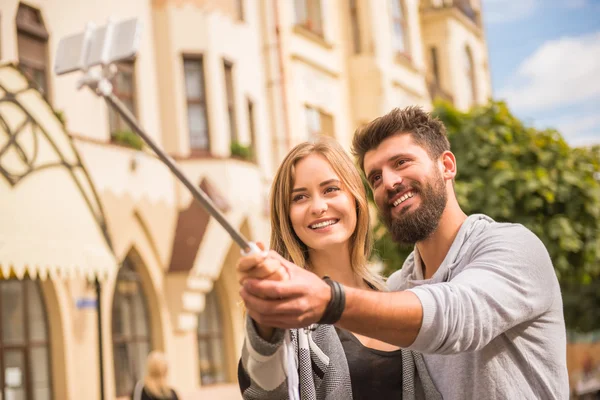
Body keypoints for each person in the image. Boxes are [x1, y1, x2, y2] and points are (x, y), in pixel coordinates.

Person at [238, 107, 569, 399]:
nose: (390, 182)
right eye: (376, 177)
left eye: (402, 162)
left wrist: (329, 300)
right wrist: (265, 318)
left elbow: (457, 317)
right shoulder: (400, 286)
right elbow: (264, 389)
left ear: (447, 165)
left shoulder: (512, 247)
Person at [237, 137, 441, 399]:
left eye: (331, 189)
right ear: (286, 215)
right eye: (300, 197)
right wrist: (266, 318)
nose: (319, 207)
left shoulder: (395, 293)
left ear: (354, 197)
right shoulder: (287, 310)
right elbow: (264, 391)